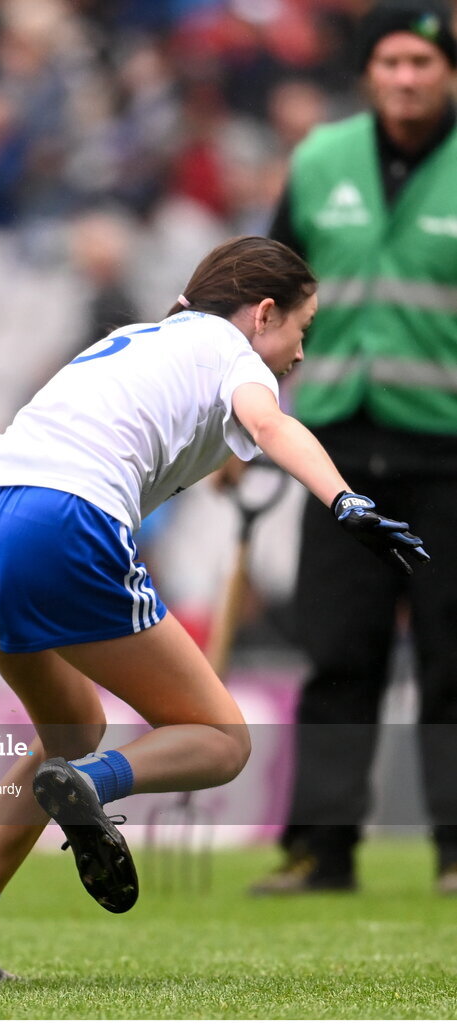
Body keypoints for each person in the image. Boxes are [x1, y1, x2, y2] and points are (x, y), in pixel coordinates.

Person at [0, 235, 429, 982]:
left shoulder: (137, 337)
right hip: (60, 521)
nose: (300, 356)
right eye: (299, 332)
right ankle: (93, 785)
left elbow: (165, 425)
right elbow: (272, 424)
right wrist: (343, 498)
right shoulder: (234, 354)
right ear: (263, 313)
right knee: (219, 740)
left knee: (67, 731)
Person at [250, 0, 457, 897]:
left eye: (421, 62)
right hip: (334, 446)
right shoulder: (320, 158)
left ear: (446, 70)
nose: (405, 78)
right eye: (390, 63)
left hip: (449, 453)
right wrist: (239, 415)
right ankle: (319, 851)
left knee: (454, 657)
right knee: (338, 653)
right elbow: (264, 292)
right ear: (368, 72)